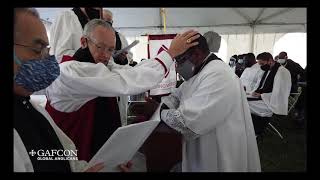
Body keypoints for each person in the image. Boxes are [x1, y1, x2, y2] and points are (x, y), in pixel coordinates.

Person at [44, 19, 200, 162]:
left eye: (110, 50)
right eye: (100, 47)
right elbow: (128, 80)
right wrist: (170, 53)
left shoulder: (103, 65)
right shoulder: (68, 72)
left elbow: (130, 72)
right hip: (71, 158)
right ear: (84, 42)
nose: (105, 56)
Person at [13, 8, 131, 172]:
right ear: (83, 42)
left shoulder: (31, 109)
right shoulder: (70, 67)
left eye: (47, 49)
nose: (46, 58)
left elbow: (62, 160)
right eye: (37, 49)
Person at [146, 34, 261, 172]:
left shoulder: (218, 74)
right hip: (204, 144)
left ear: (196, 54)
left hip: (219, 148)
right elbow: (177, 96)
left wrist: (158, 111)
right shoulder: (200, 71)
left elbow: (186, 123)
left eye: (179, 60)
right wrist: (161, 106)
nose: (177, 68)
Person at [248, 52, 291, 135]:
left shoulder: (282, 72)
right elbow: (259, 86)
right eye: (259, 64)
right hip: (264, 98)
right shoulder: (267, 70)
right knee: (243, 100)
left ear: (270, 61)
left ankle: (255, 130)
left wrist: (262, 95)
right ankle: (252, 128)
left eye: (262, 63)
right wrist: (253, 92)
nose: (261, 66)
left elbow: (280, 93)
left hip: (271, 102)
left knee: (244, 103)